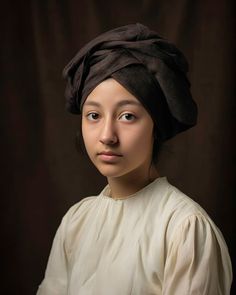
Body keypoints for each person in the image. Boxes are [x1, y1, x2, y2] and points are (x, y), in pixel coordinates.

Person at [37, 23, 232, 295]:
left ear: (156, 126)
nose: (107, 135)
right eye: (94, 115)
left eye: (127, 116)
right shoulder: (77, 221)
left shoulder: (184, 228)